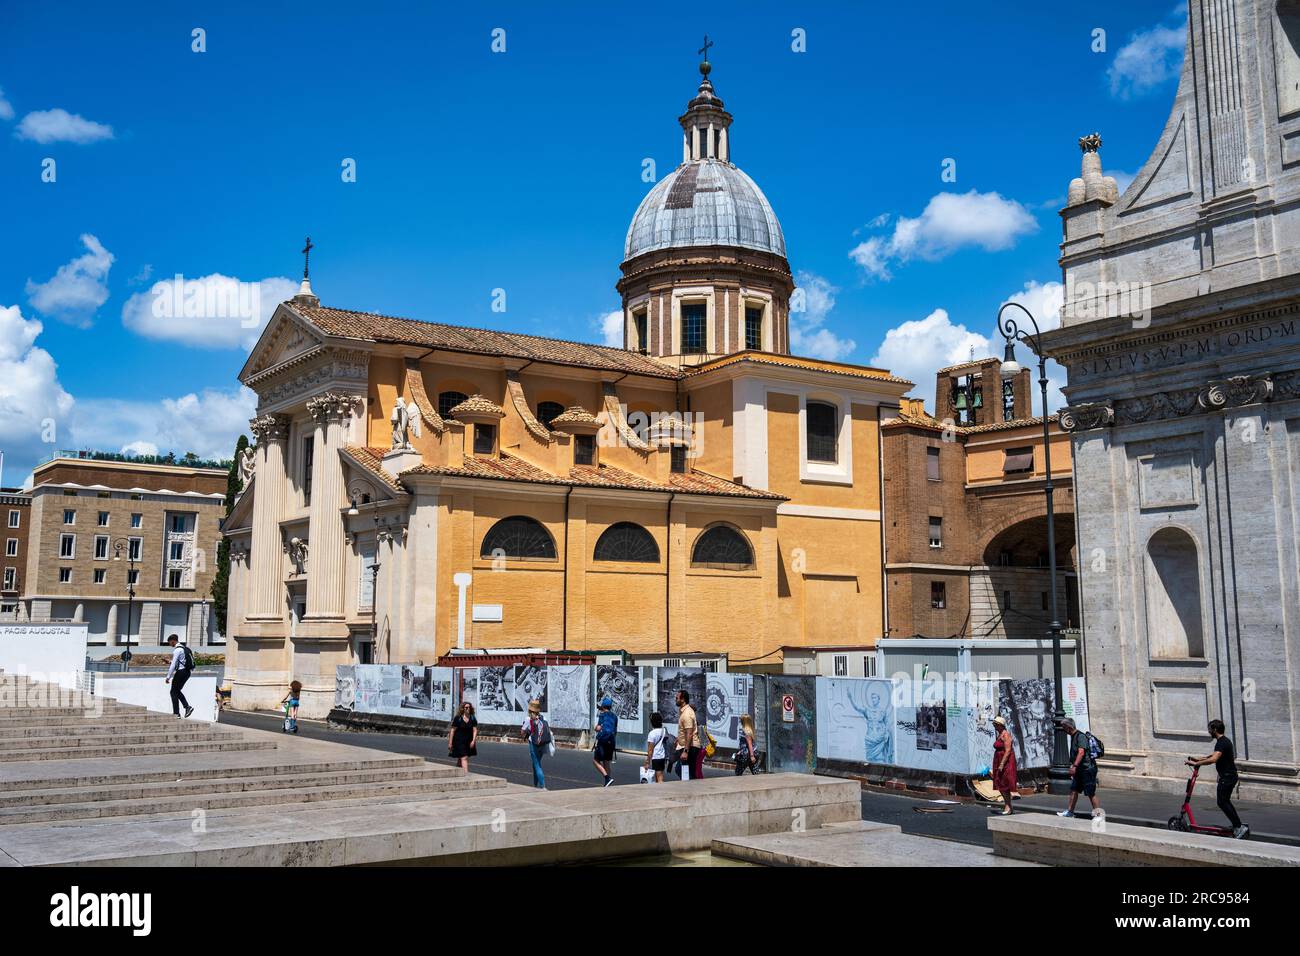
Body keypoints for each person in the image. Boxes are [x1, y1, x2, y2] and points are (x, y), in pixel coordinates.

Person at [1187, 719, 1249, 839]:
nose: (1209, 731)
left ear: (1215, 729)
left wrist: (1197, 764)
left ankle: (1239, 826)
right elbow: (1210, 756)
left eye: (1210, 729)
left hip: (1227, 777)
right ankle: (1238, 825)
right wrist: (1196, 760)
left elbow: (1213, 759)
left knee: (1222, 802)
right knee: (1225, 801)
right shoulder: (1224, 741)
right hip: (1229, 776)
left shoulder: (1221, 743)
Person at [1057, 717, 1102, 819]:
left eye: (1064, 727)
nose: (1063, 730)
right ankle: (1070, 812)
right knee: (1074, 790)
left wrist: (1074, 766)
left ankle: (1099, 815)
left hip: (1087, 769)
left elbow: (1081, 752)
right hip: (1080, 770)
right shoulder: (1074, 736)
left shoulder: (1080, 736)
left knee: (1090, 792)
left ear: (1069, 727)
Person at [163, 634, 194, 719]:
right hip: (187, 672)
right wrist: (169, 661)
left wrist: (168, 677)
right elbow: (179, 662)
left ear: (173, 641)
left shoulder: (177, 650)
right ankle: (186, 708)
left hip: (181, 672)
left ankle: (178, 713)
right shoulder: (184, 649)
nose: (170, 644)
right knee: (176, 691)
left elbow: (173, 665)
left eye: (169, 642)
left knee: (173, 692)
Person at [991, 715, 1017, 815]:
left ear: (1001, 725)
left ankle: (1008, 806)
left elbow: (1008, 750)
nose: (994, 726)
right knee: (999, 782)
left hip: (1006, 761)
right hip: (998, 759)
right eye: (994, 724)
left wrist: (1002, 764)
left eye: (996, 724)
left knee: (1005, 783)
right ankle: (1008, 806)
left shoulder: (1006, 735)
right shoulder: (999, 734)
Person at [520, 699, 548, 789]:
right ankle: (535, 785)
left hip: (533, 744)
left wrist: (525, 731)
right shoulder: (543, 718)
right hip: (542, 744)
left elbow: (522, 732)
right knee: (536, 764)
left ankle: (543, 786)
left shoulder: (528, 719)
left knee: (537, 765)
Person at [593, 696, 618, 787]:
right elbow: (615, 731)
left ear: (603, 706)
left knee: (595, 761)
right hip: (611, 741)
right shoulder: (615, 717)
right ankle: (608, 782)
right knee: (606, 762)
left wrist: (596, 728)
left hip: (603, 741)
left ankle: (607, 778)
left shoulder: (602, 715)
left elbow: (598, 727)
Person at [676, 690, 699, 780]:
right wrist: (679, 738)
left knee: (680, 769)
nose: (676, 700)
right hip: (689, 746)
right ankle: (691, 787)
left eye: (677, 698)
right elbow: (685, 731)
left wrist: (686, 751)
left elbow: (689, 734)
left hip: (691, 747)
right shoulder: (684, 711)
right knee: (687, 771)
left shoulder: (687, 714)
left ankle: (691, 788)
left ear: (683, 699)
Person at [449, 701, 478, 771]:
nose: (468, 709)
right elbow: (452, 731)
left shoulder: (472, 718)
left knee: (460, 758)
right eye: (466, 707)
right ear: (463, 709)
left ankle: (457, 771)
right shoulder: (458, 718)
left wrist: (473, 741)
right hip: (459, 741)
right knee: (464, 757)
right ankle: (466, 776)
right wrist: (450, 743)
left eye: (469, 707)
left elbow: (475, 730)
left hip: (468, 741)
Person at [645, 711, 668, 783]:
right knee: (659, 775)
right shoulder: (664, 730)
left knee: (659, 776)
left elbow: (650, 749)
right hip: (663, 756)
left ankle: (662, 792)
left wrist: (647, 761)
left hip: (656, 757)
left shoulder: (652, 733)